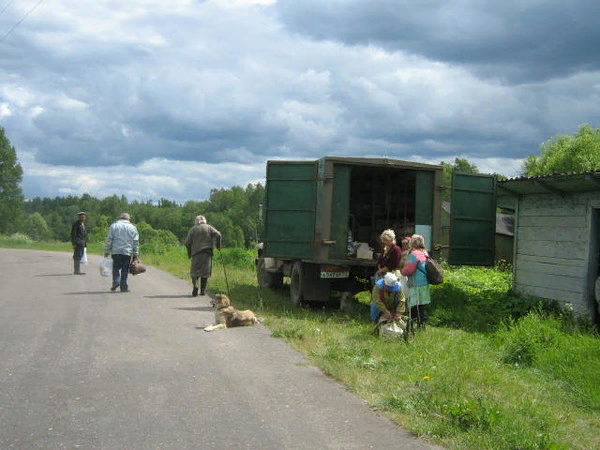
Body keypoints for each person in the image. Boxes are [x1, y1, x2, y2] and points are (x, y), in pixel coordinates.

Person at [183, 215, 222, 297]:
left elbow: (187, 243)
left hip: (196, 254)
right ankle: (203, 291)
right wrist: (218, 246)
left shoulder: (193, 229)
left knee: (195, 272)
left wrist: (189, 253)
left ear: (196, 221)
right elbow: (218, 235)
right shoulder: (209, 227)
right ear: (205, 221)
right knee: (205, 273)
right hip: (207, 253)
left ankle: (195, 286)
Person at [104, 213, 140, 292]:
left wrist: (107, 251)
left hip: (116, 251)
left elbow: (109, 239)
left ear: (120, 218)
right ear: (128, 219)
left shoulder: (114, 226)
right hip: (127, 252)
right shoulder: (133, 227)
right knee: (125, 269)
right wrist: (135, 254)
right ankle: (123, 286)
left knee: (115, 268)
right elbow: (135, 242)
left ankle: (116, 282)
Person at [401, 234, 431, 326]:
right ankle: (421, 323)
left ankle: (412, 323)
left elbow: (408, 270)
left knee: (413, 305)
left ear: (412, 243)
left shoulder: (413, 254)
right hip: (424, 282)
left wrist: (402, 271)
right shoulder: (425, 253)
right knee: (421, 305)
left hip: (415, 283)